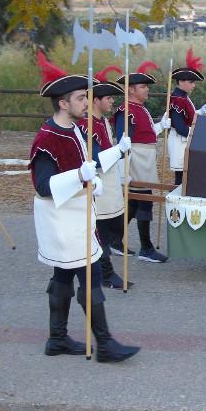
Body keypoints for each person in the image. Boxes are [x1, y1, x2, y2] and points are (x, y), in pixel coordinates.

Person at [30, 61, 139, 363]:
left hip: (78, 213)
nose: (86, 102)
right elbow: (42, 186)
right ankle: (104, 345)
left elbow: (87, 168)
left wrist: (111, 158)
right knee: (88, 278)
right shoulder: (48, 138)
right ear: (63, 103)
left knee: (63, 277)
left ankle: (57, 339)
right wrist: (80, 177)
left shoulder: (75, 130)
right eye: (80, 98)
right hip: (64, 220)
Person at [76, 64, 134, 290]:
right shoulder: (87, 124)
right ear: (96, 100)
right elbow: (94, 159)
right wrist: (118, 150)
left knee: (110, 228)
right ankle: (106, 274)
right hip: (98, 183)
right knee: (100, 231)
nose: (112, 102)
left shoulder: (101, 122)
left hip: (109, 182)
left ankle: (102, 271)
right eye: (108, 98)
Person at [113, 61, 169, 264]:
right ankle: (146, 247)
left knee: (134, 203)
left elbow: (144, 134)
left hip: (144, 157)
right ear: (131, 89)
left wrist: (160, 127)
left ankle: (114, 239)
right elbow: (122, 141)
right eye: (143, 87)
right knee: (143, 201)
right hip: (135, 159)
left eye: (147, 87)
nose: (147, 90)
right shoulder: (126, 110)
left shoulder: (139, 109)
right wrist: (122, 168)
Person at [168, 49, 206, 185]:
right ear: (180, 82)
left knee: (186, 176)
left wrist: (200, 112)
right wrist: (198, 133)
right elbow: (180, 127)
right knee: (181, 178)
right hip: (180, 141)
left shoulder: (183, 97)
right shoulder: (178, 99)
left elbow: (188, 116)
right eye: (190, 82)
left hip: (184, 140)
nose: (193, 85)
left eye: (194, 82)